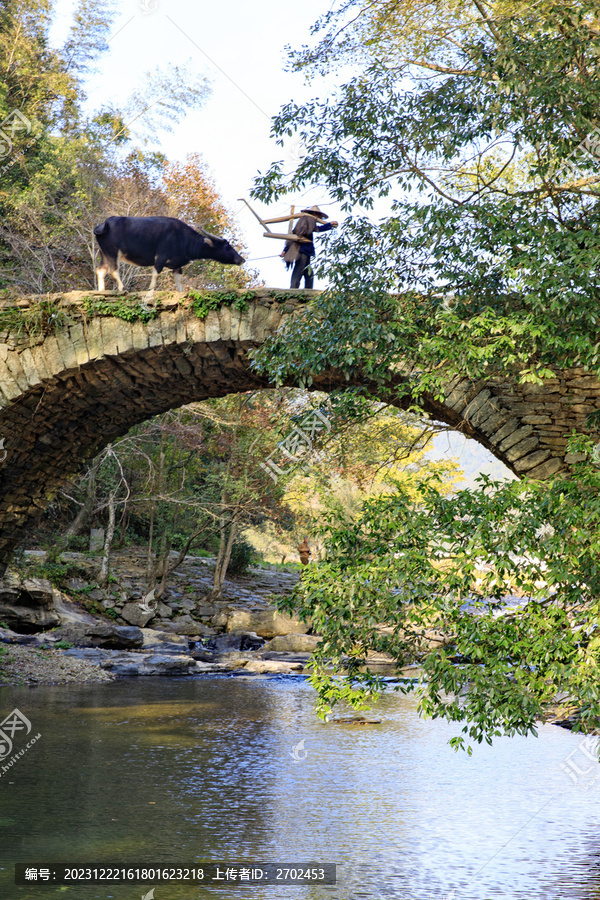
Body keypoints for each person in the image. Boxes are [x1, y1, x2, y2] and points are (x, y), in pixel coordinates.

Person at [281, 206, 338, 289]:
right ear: (315, 214)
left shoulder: (308, 222)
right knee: (299, 270)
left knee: (308, 272)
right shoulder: (307, 220)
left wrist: (329, 225)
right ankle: (293, 289)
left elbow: (314, 229)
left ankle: (308, 289)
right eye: (318, 216)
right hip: (302, 250)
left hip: (306, 251)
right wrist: (329, 224)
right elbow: (317, 229)